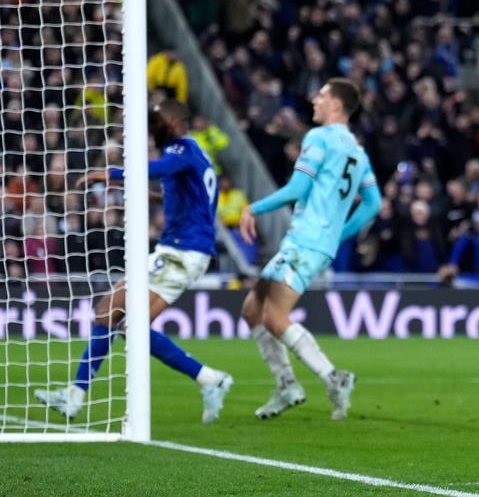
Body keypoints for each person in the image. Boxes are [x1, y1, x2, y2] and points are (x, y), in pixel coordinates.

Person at [36, 99, 233, 424]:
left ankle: (75, 395)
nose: (153, 129)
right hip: (181, 251)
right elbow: (184, 196)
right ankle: (209, 380)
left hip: (182, 252)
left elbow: (158, 169)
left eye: (157, 122)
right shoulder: (195, 154)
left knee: (115, 315)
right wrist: (151, 198)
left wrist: (109, 174)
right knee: (120, 320)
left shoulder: (182, 149)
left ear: (173, 121)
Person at [238, 78, 381, 420]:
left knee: (274, 317)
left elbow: (297, 188)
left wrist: (252, 208)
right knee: (252, 308)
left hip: (305, 241)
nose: (315, 100)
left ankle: (333, 378)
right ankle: (287, 385)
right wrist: (338, 235)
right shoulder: (357, 151)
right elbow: (373, 203)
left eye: (322, 95)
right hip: (316, 243)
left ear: (336, 105)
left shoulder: (319, 137)